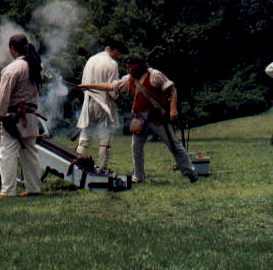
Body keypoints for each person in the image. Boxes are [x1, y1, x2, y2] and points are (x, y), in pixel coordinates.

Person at [78, 53, 198, 184]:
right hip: (140, 119)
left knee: (174, 145)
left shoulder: (155, 75)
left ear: (139, 66)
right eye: (127, 66)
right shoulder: (128, 80)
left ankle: (190, 172)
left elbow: (172, 90)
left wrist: (173, 109)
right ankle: (138, 177)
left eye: (130, 67)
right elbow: (111, 86)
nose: (128, 69)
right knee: (136, 149)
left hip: (158, 118)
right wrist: (89, 86)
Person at [0, 34, 44, 199]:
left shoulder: (12, 69)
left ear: (13, 49)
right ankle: (34, 188)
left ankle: (8, 191)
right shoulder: (35, 66)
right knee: (30, 154)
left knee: (7, 154)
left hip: (13, 119)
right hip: (30, 117)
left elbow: (2, 97)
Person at [75, 38, 129, 173]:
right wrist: (119, 94)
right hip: (104, 103)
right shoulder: (112, 64)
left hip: (88, 101)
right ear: (113, 50)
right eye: (119, 53)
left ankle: (79, 167)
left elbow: (84, 83)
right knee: (105, 138)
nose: (119, 56)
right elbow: (112, 90)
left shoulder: (90, 60)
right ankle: (102, 168)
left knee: (85, 138)